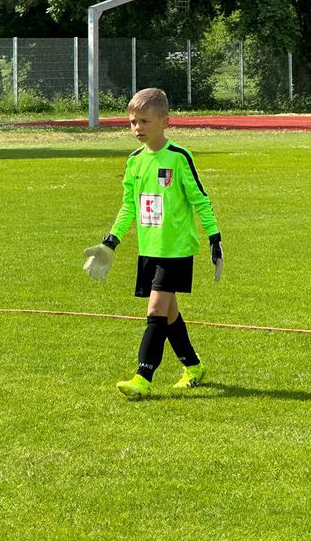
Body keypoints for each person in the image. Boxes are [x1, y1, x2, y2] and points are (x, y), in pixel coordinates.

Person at [83, 88, 223, 399]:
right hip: (149, 248)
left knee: (156, 308)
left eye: (144, 121)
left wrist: (215, 239)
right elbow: (129, 207)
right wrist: (111, 242)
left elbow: (200, 200)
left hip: (176, 249)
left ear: (165, 121)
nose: (137, 128)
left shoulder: (179, 157)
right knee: (169, 314)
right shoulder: (134, 162)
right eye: (132, 122)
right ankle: (194, 366)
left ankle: (143, 378)